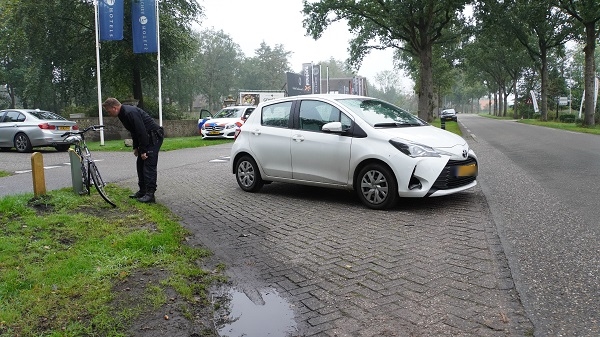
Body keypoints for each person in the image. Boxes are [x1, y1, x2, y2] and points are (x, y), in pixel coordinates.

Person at [102, 97, 164, 203]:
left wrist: (143, 150)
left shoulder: (129, 112)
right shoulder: (122, 113)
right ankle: (143, 191)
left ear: (115, 107)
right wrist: (136, 147)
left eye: (108, 111)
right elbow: (134, 131)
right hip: (146, 137)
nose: (108, 114)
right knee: (140, 164)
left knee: (149, 165)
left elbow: (141, 131)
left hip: (153, 137)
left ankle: (150, 195)